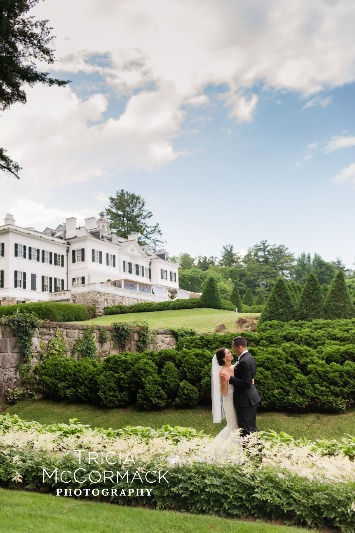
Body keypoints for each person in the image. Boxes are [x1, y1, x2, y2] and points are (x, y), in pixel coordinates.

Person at [221, 336, 260, 438]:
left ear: (239, 347)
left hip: (245, 400)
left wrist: (230, 379)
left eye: (233, 348)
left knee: (245, 429)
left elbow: (246, 383)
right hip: (251, 398)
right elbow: (249, 378)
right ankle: (256, 450)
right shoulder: (249, 357)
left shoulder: (243, 361)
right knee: (251, 427)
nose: (233, 350)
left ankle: (248, 452)